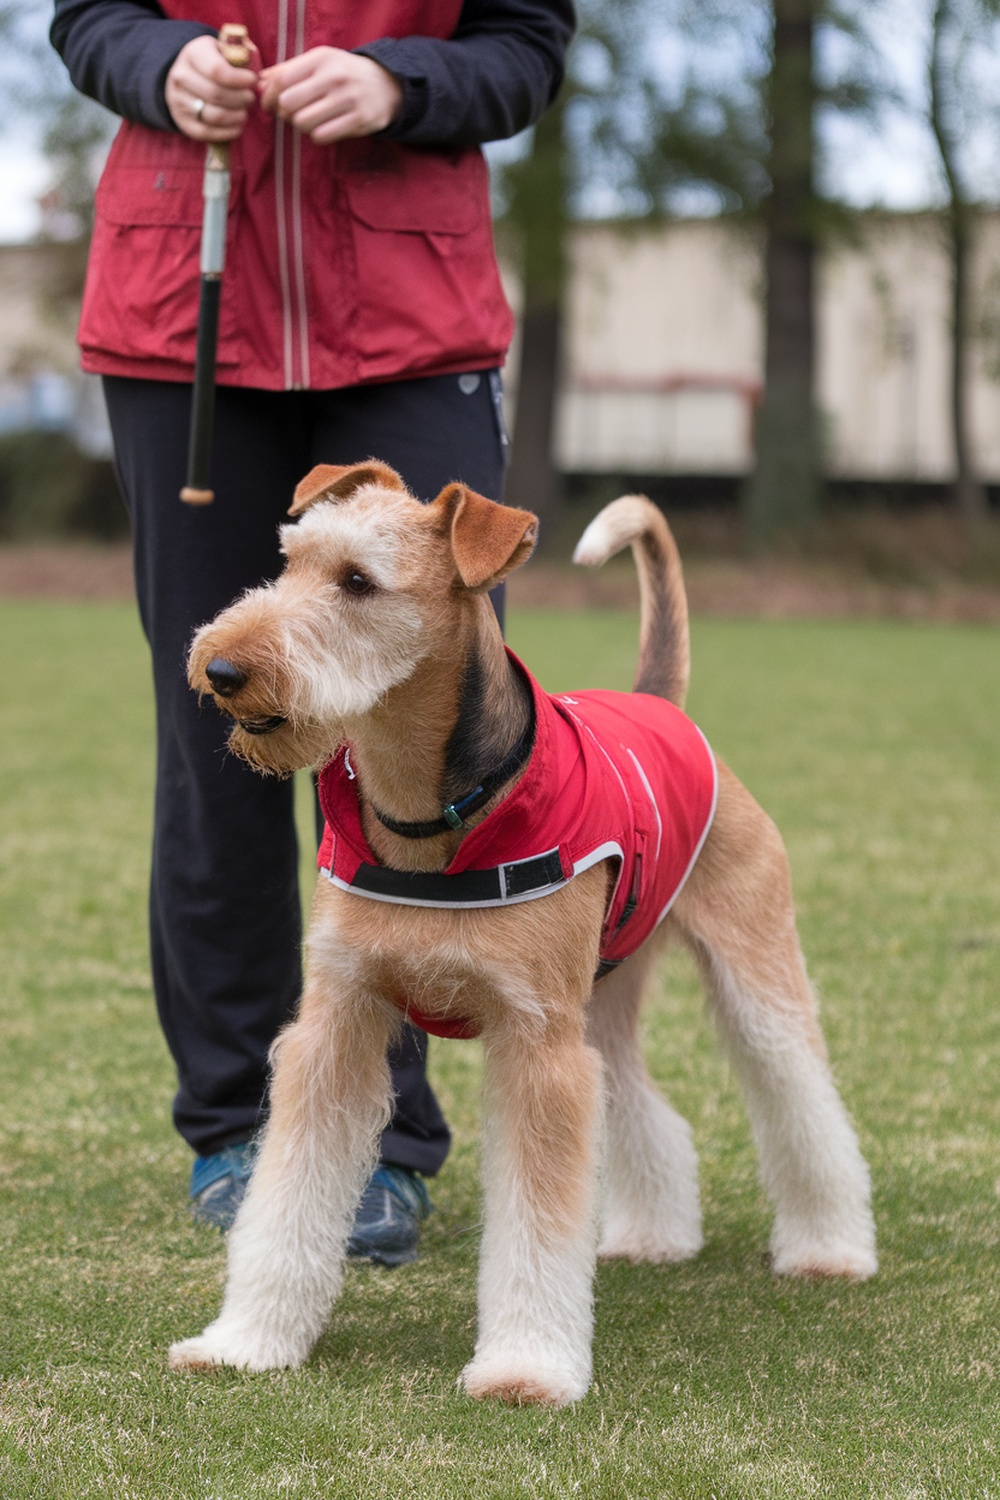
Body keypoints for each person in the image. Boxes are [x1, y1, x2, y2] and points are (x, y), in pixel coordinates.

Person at [50, 0, 575, 1261]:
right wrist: (156, 63)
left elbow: (528, 49)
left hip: (411, 320)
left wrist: (402, 83)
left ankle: (390, 1138)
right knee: (217, 735)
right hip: (183, 318)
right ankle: (240, 1123)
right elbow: (84, 18)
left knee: (441, 745)